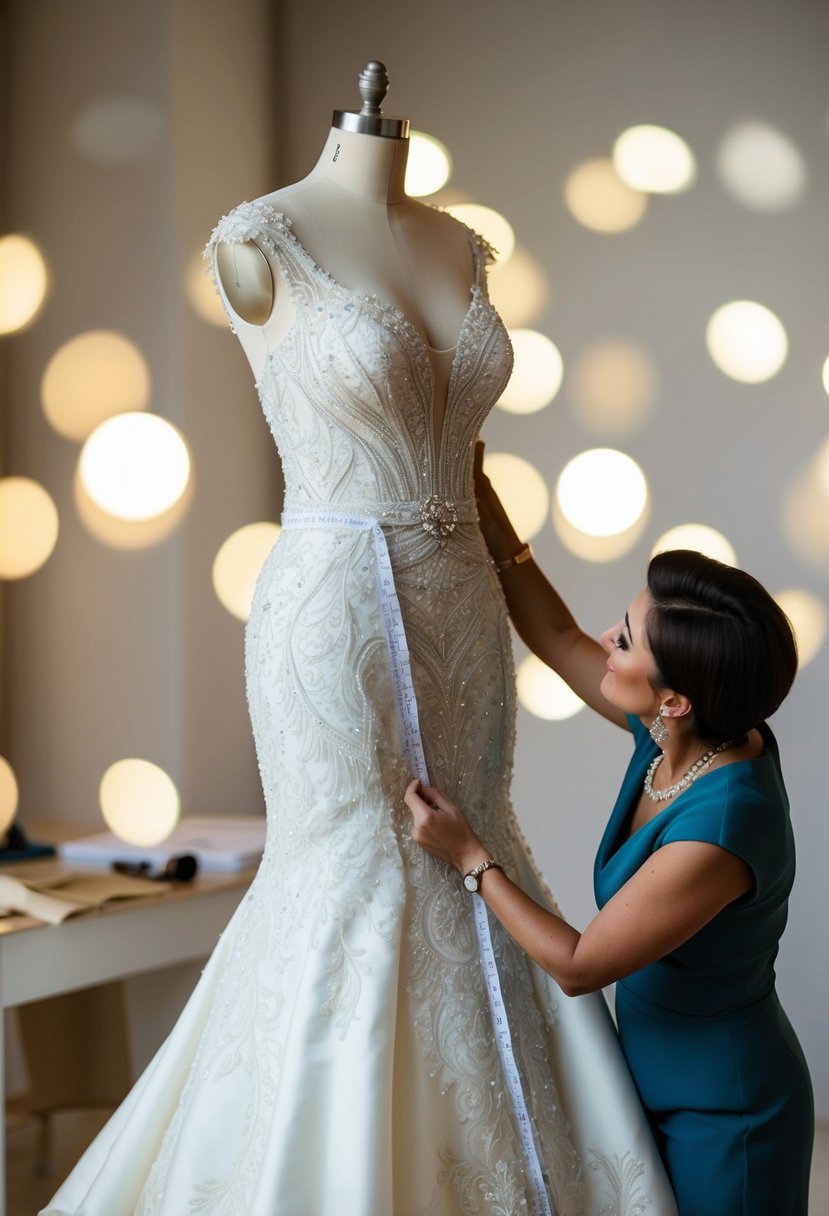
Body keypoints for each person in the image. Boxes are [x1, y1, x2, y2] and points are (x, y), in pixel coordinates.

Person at [42, 66, 676, 1215]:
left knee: (475, 837)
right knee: (353, 867)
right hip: (333, 616)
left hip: (466, 614)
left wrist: (551, 617)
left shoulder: (462, 246)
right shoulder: (262, 239)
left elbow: (468, 480)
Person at [405, 446, 815, 1216]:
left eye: (624, 642)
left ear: (675, 700)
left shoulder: (721, 826)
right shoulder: (684, 736)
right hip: (647, 1079)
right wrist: (487, 508)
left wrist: (471, 859)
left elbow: (581, 963)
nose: (605, 639)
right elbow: (559, 640)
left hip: (726, 1117)